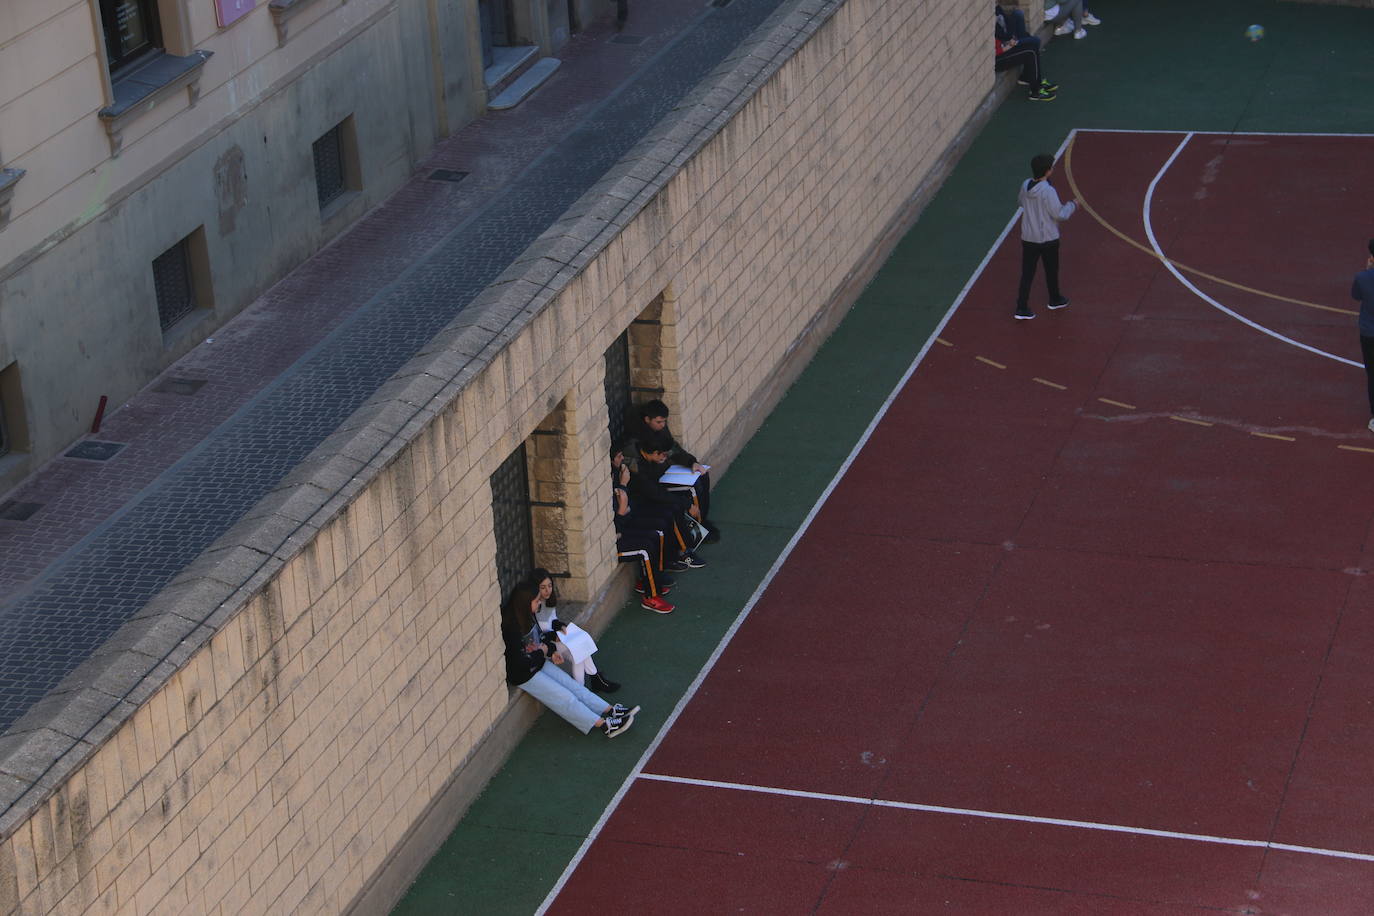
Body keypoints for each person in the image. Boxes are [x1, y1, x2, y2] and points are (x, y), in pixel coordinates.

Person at [501, 583, 639, 737]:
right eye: (536, 601)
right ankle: (605, 725)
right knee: (564, 698)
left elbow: (540, 638)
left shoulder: (529, 616)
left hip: (538, 663)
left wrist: (551, 651)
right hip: (525, 675)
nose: (539, 603)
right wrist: (542, 651)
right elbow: (520, 662)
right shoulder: (511, 630)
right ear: (525, 603)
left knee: (572, 686)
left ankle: (610, 710)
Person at [528, 568, 621, 691]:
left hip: (556, 640)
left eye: (550, 586)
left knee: (578, 656)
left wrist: (561, 626)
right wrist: (555, 636)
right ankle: (595, 680)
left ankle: (580, 689)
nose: (547, 590)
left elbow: (553, 620)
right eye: (543, 587)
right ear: (535, 588)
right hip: (546, 647)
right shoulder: (534, 606)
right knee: (580, 645)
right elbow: (538, 633)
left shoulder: (548, 600)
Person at [1014, 152, 1076, 320]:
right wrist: (1072, 205)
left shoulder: (1026, 185)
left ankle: (1021, 307)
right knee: (1051, 270)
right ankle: (1054, 299)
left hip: (1028, 237)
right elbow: (1059, 214)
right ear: (1047, 171)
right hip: (1047, 238)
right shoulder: (1048, 191)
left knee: (1027, 273)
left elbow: (1020, 202)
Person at [995, 5, 1057, 101]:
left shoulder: (997, 8)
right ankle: (1035, 92)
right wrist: (1011, 43)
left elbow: (1006, 30)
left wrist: (1012, 38)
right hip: (999, 57)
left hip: (1007, 43)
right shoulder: (988, 22)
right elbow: (998, 49)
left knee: (1031, 42)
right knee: (1031, 50)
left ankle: (1028, 78)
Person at [1352, 239, 1374, 432]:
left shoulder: (1362, 278)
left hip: (1369, 332)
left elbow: (1356, 296)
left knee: (1372, 374)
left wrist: (1368, 271)